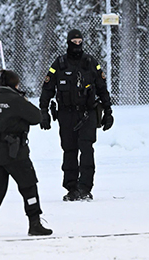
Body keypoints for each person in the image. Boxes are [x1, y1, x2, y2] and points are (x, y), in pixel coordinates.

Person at [39, 29, 113, 202]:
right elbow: (47, 89)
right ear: (68, 42)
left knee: (86, 149)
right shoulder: (59, 64)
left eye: (80, 42)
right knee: (69, 151)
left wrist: (108, 112)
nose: (77, 45)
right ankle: (72, 188)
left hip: (87, 114)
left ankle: (85, 188)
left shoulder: (90, 63)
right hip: (66, 114)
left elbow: (102, 89)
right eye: (74, 42)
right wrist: (43, 112)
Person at [0, 70, 52, 237]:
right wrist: (23, 100)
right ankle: (34, 222)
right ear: (16, 84)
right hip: (14, 151)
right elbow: (36, 117)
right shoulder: (16, 101)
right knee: (29, 185)